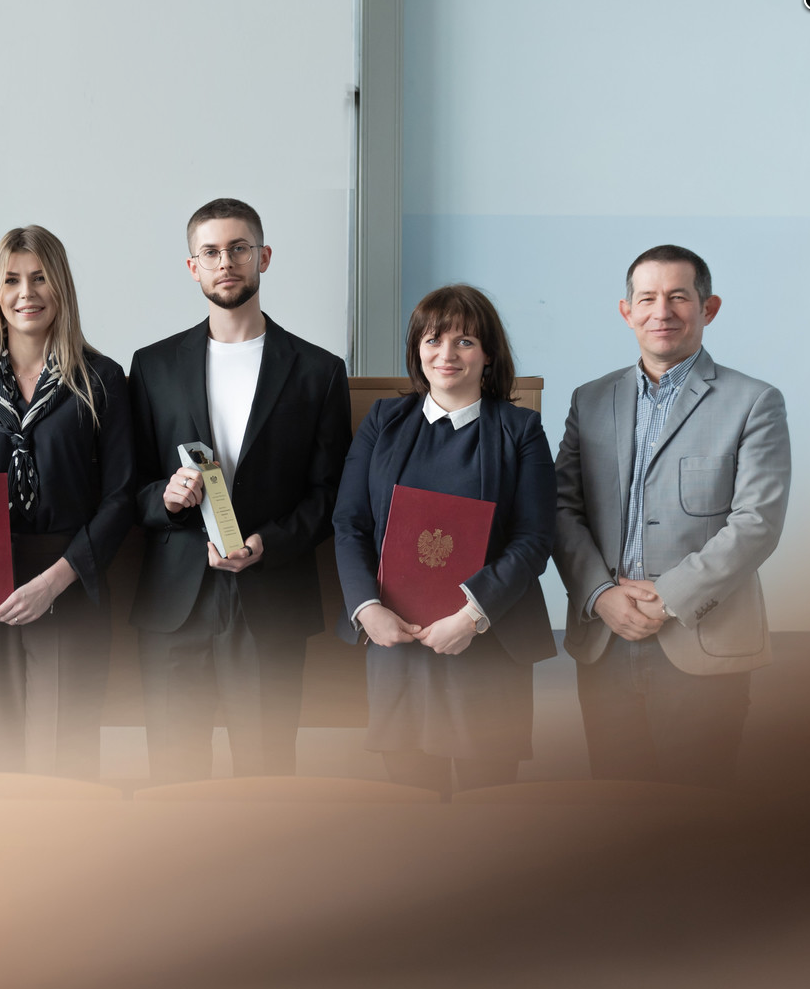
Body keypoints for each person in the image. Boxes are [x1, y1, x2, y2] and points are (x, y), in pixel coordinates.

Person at [128, 198, 352, 782]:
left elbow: (330, 495)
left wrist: (267, 543)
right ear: (193, 267)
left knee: (266, 782)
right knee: (173, 784)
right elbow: (131, 488)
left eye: (238, 249)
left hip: (270, 597)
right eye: (211, 252)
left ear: (264, 257)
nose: (225, 262)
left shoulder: (319, 370)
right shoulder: (151, 366)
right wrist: (165, 499)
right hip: (176, 602)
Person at [554, 245, 790, 787]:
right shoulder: (590, 400)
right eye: (647, 298)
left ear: (709, 308)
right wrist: (600, 595)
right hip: (605, 642)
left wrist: (668, 599)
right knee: (613, 817)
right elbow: (562, 509)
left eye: (679, 297)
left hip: (704, 641)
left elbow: (757, 523)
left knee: (698, 818)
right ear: (626, 311)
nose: (661, 311)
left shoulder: (754, 401)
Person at [332, 285, 556, 797]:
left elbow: (533, 540)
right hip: (396, 643)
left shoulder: (521, 430)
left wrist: (471, 616)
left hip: (488, 643)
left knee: (488, 812)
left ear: (489, 354)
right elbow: (350, 524)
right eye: (433, 340)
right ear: (417, 349)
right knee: (411, 814)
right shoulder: (383, 422)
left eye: (465, 341)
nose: (446, 354)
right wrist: (367, 608)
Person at [0, 225, 134, 777]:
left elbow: (121, 499)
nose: (27, 293)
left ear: (60, 286)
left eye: (40, 278)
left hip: (68, 584)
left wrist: (54, 582)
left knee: (62, 767)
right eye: (13, 280)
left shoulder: (102, 378)